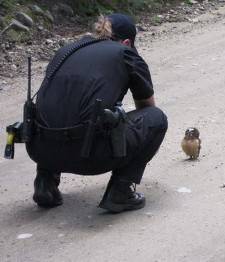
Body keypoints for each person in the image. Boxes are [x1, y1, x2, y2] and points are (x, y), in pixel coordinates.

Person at [26, 13, 168, 213]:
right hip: (89, 156)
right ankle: (121, 192)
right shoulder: (125, 53)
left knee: (60, 111)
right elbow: (147, 107)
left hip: (40, 150)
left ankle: (45, 184)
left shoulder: (66, 51)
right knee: (157, 118)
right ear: (127, 42)